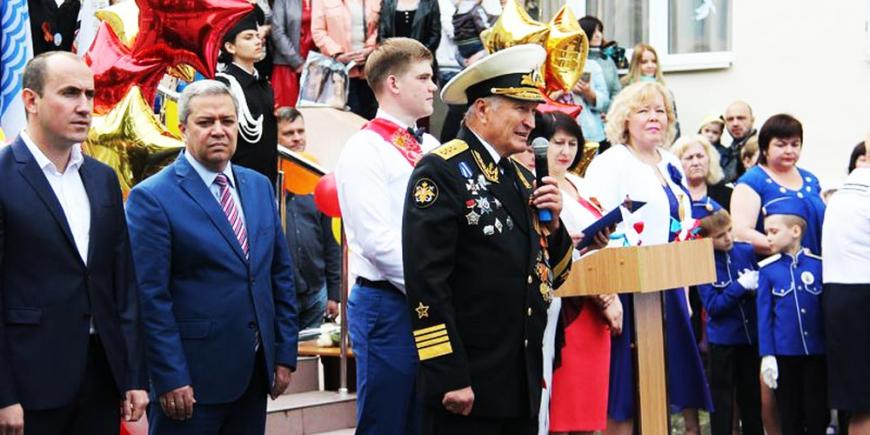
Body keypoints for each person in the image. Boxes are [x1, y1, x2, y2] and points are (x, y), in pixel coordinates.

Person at [403, 44, 574, 434]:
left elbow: (556, 274)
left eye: (532, 111)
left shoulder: (522, 177)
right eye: (520, 109)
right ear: (482, 109)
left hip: (519, 379)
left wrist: (554, 227)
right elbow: (426, 282)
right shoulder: (441, 171)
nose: (530, 122)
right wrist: (447, 372)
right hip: (470, 382)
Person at [125, 80, 299, 435]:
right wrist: (169, 375)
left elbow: (279, 274)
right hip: (190, 382)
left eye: (227, 121)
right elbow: (150, 297)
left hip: (254, 374)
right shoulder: (152, 198)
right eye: (206, 122)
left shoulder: (258, 185)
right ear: (182, 128)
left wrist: (284, 353)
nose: (219, 130)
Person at [0, 50, 148, 435]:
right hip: (28, 387)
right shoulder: (3, 176)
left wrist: (134, 374)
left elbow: (122, 282)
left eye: (89, 94)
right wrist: (3, 394)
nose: (84, 106)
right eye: (69, 93)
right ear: (30, 100)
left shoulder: (102, 179)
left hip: (102, 379)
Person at [583, 81, 713, 435]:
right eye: (643, 110)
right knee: (623, 392)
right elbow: (597, 228)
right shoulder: (611, 163)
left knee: (662, 385)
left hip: (666, 285)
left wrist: (683, 288)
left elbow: (680, 224)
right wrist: (607, 296)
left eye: (660, 110)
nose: (654, 117)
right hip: (625, 289)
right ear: (625, 119)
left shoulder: (670, 161)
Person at [334, 37, 439, 435]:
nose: (433, 87)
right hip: (388, 302)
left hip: (428, 297)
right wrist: (436, 286)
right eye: (423, 78)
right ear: (393, 83)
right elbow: (377, 241)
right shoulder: (363, 148)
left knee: (427, 417)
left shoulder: (431, 145)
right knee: (388, 420)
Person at [534, 111, 620, 435]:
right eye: (558, 143)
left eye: (572, 143)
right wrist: (604, 296)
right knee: (562, 410)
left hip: (597, 290)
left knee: (589, 411)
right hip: (568, 302)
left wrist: (601, 237)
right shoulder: (536, 185)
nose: (565, 151)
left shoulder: (580, 183)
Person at [756, 196, 828, 435]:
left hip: (816, 353)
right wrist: (767, 354)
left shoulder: (818, 266)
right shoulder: (768, 270)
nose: (768, 237)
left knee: (818, 413)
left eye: (774, 231)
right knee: (789, 414)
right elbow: (764, 317)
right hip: (785, 355)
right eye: (766, 232)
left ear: (795, 231)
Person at [694, 203, 764, 435]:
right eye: (719, 235)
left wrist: (755, 288)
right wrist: (739, 287)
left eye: (729, 230)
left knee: (751, 400)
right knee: (721, 402)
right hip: (723, 342)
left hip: (749, 339)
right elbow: (713, 306)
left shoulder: (745, 251)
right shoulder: (704, 262)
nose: (727, 238)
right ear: (706, 240)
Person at [277, 108, 341, 329]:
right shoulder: (268, 181)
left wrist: (334, 293)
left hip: (316, 293)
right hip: (281, 295)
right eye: (288, 133)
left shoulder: (317, 177)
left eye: (300, 131)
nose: (297, 138)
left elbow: (331, 241)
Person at [823, 138, 870, 435]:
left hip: (841, 295)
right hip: (861, 295)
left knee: (860, 404)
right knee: (864, 403)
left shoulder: (843, 193)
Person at [730, 114, 826, 257]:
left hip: (815, 264)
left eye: (795, 144)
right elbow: (741, 233)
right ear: (764, 148)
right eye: (781, 145)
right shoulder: (752, 181)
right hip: (773, 266)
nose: (789, 150)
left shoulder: (811, 180)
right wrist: (788, 249)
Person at [217, 12, 280, 186]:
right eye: (248, 37)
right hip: (236, 181)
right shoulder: (224, 85)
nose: (258, 41)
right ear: (230, 47)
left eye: (258, 36)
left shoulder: (264, 85)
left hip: (266, 181)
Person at [311, 0, 381, 119]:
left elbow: (380, 27)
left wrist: (370, 49)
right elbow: (318, 31)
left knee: (371, 116)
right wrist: (337, 54)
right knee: (348, 118)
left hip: (369, 69)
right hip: (339, 72)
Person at [620, 43, 680, 141]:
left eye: (654, 61)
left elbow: (674, 122)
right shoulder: (627, 91)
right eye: (644, 62)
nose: (650, 65)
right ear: (635, 64)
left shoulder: (665, 92)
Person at [271, 0, 315, 108]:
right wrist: (297, 62)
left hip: (315, 66)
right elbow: (277, 32)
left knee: (315, 113)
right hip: (288, 65)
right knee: (287, 112)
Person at [671, 134, 732, 210]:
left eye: (700, 156)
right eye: (689, 158)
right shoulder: (670, 196)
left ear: (710, 159)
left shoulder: (728, 195)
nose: (696, 163)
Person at [578, 15, 621, 108]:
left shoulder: (607, 60)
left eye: (600, 31)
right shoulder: (578, 61)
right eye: (593, 31)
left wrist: (611, 111)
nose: (598, 35)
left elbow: (617, 91)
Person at [720, 101, 757, 184]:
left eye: (740, 118)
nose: (735, 123)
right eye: (730, 119)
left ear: (752, 120)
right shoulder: (724, 153)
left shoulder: (763, 150)